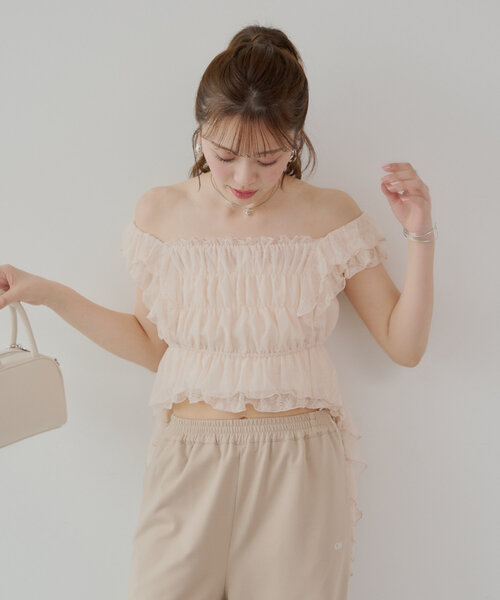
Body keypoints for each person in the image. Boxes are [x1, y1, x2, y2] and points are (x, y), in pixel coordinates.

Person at [0, 24, 436, 600]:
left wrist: (420, 235)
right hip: (189, 457)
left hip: (297, 464)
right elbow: (151, 346)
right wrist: (48, 293)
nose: (244, 178)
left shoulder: (330, 215)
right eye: (225, 155)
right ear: (200, 130)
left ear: (296, 140)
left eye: (268, 159)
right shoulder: (161, 212)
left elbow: (404, 346)